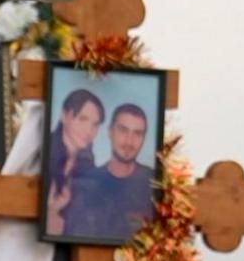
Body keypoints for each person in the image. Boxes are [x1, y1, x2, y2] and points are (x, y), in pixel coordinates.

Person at [62, 99, 159, 242]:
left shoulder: (156, 185)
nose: (129, 141)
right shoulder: (86, 183)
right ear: (110, 132)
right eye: (123, 130)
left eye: (137, 133)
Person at [42, 86, 106, 237]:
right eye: (83, 119)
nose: (89, 131)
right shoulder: (43, 151)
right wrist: (50, 211)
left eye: (95, 124)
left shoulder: (89, 168)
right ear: (65, 116)